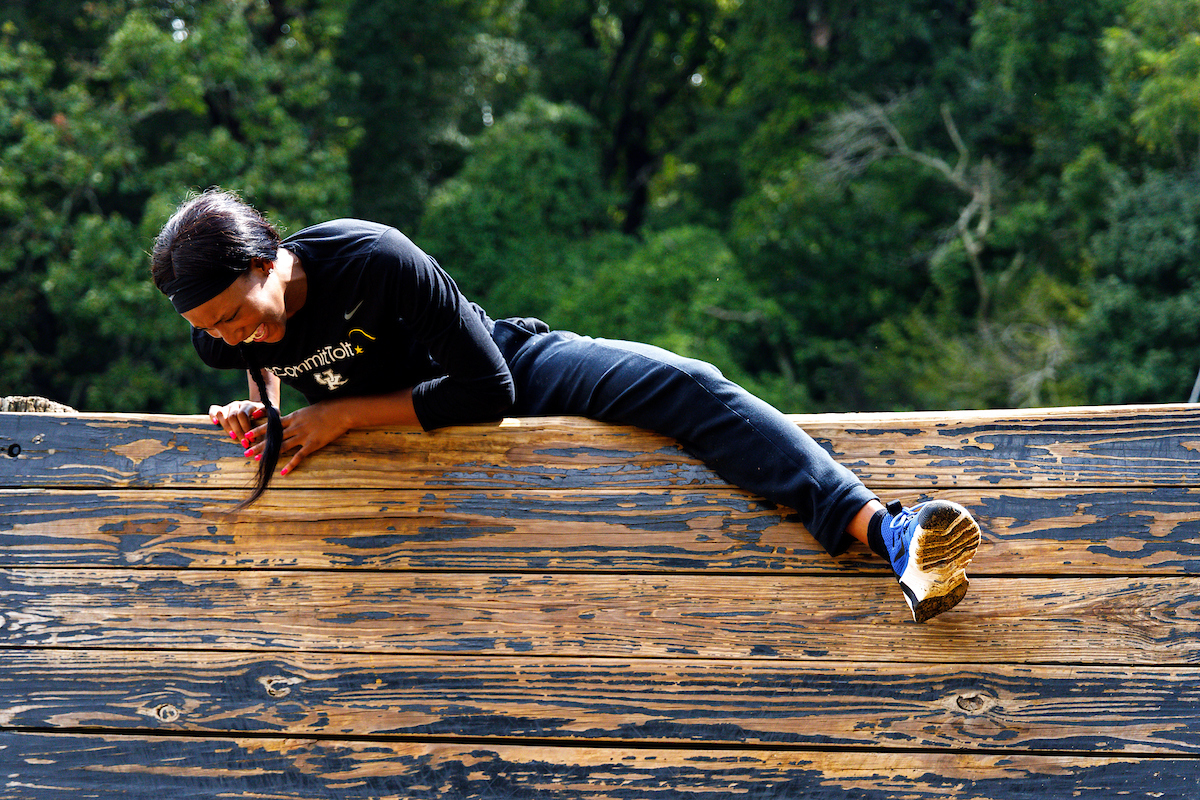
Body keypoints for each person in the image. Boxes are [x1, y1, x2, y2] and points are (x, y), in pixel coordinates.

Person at [150, 189, 981, 623]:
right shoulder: (224, 336)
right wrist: (259, 414)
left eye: (229, 315)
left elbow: (488, 390)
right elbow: (271, 378)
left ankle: (892, 536)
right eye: (207, 330)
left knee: (686, 383)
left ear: (265, 260)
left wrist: (345, 415)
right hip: (400, 477)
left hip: (502, 369)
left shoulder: (372, 258)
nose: (226, 338)